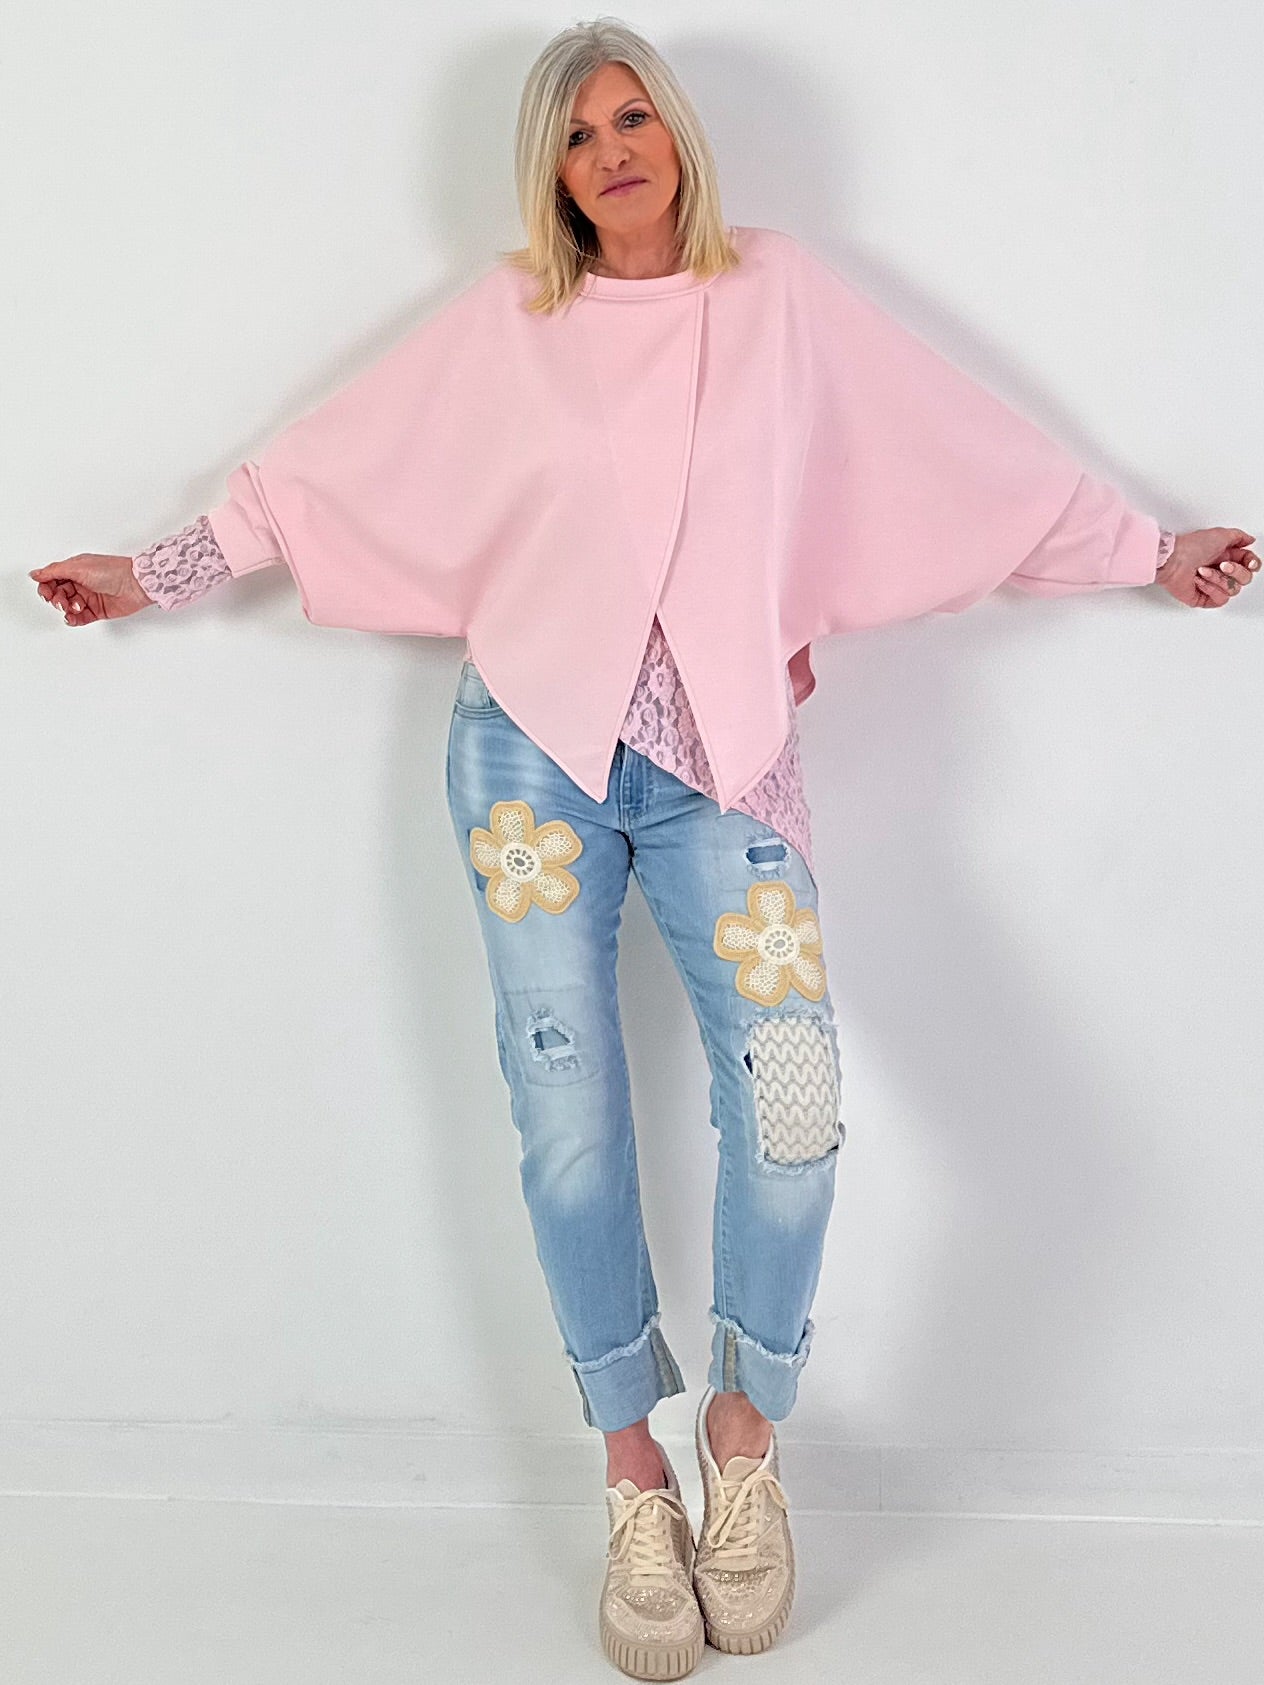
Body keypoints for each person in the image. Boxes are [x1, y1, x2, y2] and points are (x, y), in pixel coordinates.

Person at [29, 18, 1257, 1682]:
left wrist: (1146, 546)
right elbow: (324, 472)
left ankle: (742, 1443)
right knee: (568, 1122)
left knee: (792, 1102)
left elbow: (955, 447)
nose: (610, 151)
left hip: (721, 755)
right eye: (575, 133)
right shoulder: (512, 322)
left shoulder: (780, 297)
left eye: (630, 119)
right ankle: (628, 1472)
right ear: (549, 171)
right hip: (527, 754)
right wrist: (157, 570)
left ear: (676, 133)